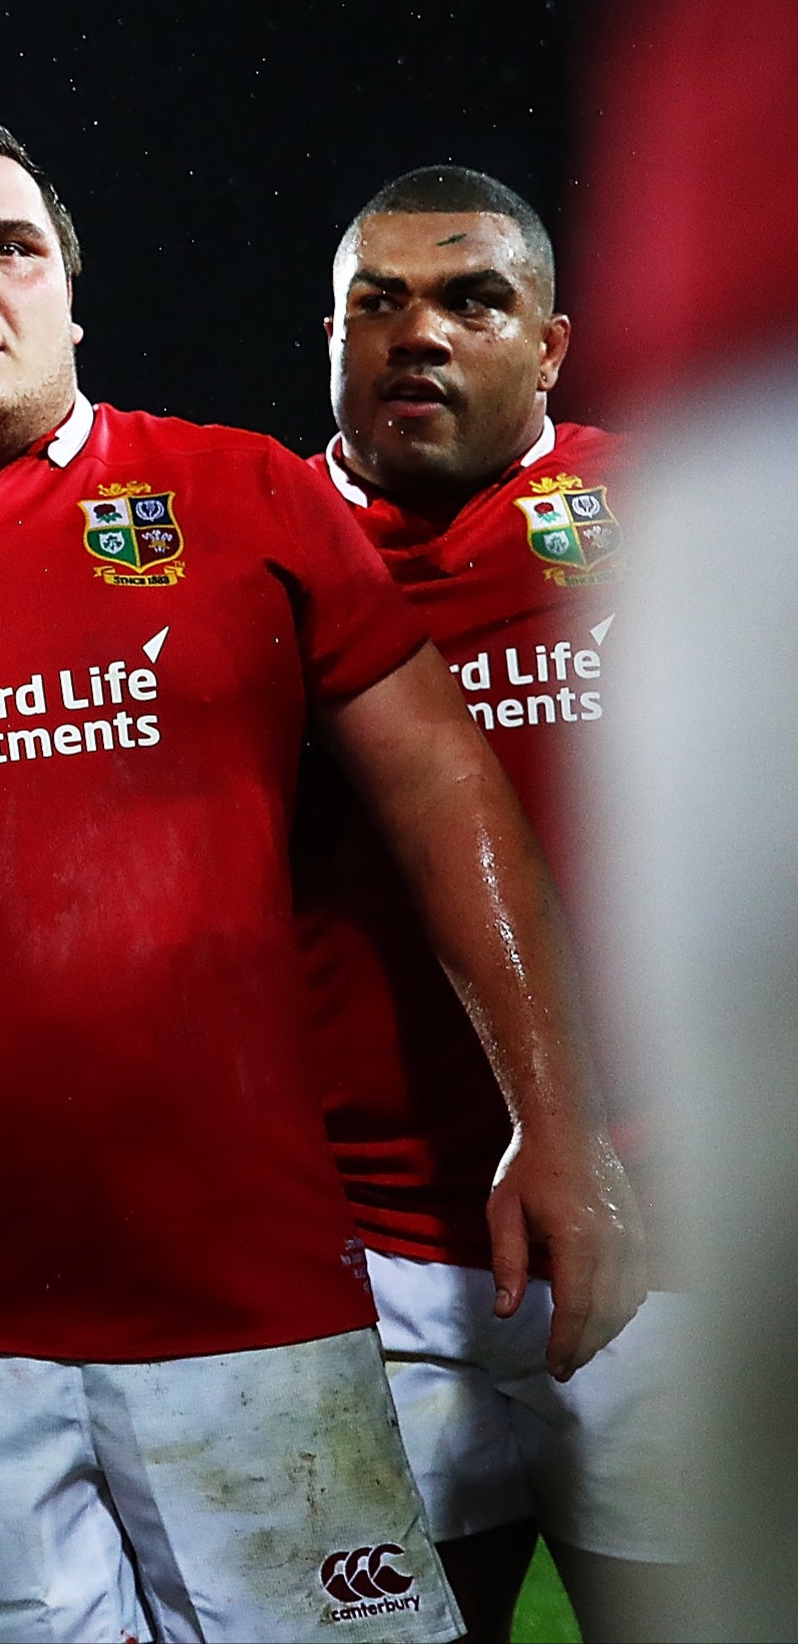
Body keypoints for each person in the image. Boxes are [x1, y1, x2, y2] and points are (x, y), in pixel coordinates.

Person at [0, 112, 643, 1643]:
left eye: (11, 248)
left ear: (70, 295)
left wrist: (553, 1115)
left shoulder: (242, 499)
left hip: (264, 1299)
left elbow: (442, 789)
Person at [297, 166, 683, 1642]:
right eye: (376, 303)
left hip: (665, 1242)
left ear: (552, 341)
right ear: (327, 334)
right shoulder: (251, 547)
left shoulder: (664, 510)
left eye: (472, 300)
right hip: (374, 1258)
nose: (420, 336)